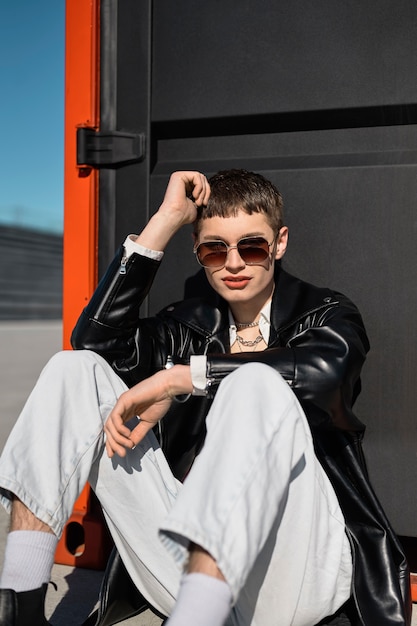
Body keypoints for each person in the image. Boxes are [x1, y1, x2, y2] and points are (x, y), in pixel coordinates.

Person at [0, 170, 410, 626]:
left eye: (251, 246)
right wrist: (166, 219)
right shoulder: (187, 325)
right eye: (215, 250)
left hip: (296, 570)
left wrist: (183, 379)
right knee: (72, 369)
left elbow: (324, 379)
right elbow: (95, 340)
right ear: (199, 254)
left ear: (280, 243)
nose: (234, 263)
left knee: (254, 384)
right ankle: (19, 600)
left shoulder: (327, 314)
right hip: (189, 573)